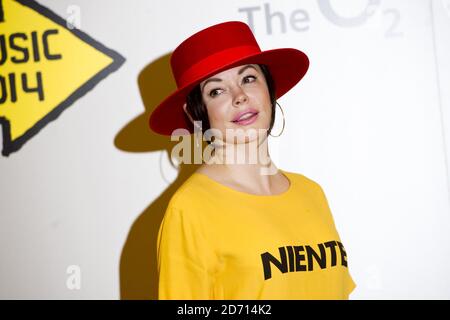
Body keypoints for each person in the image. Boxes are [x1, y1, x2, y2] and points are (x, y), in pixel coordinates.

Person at [149, 21, 356, 299]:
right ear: (196, 113)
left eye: (248, 79)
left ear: (269, 91)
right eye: (216, 91)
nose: (240, 97)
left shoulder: (311, 192)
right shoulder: (189, 210)